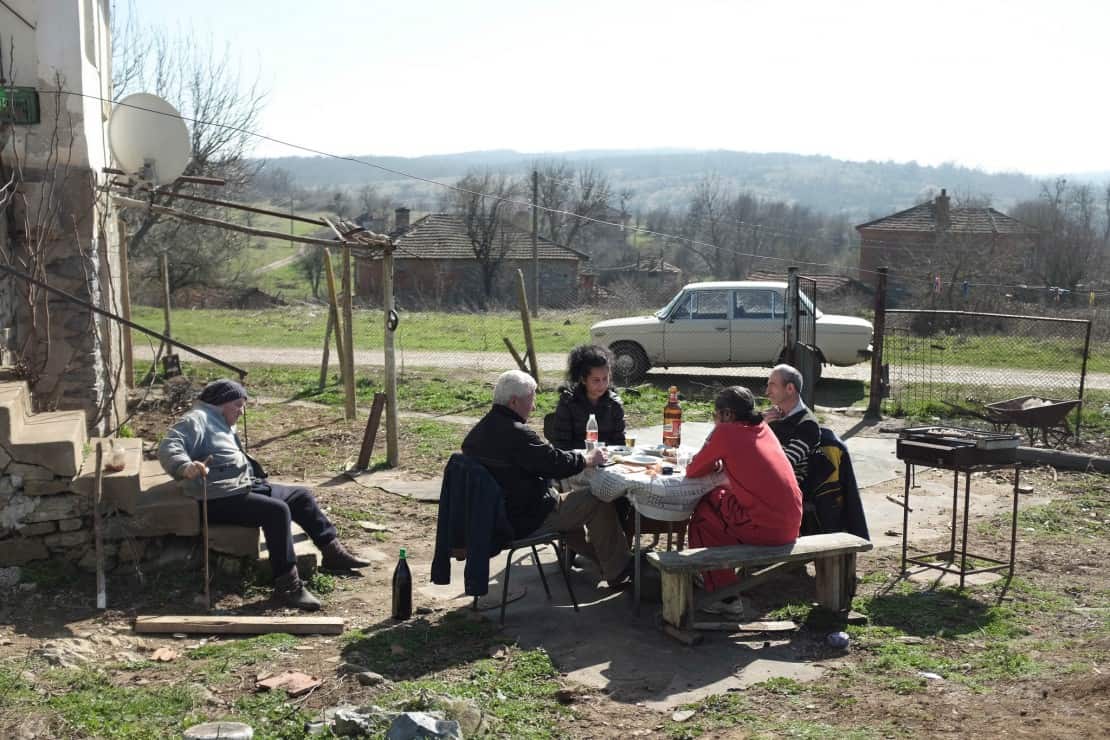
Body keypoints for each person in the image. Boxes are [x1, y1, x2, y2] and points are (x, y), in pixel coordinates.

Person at [159, 379, 370, 611]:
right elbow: (170, 445)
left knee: (300, 496)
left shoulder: (221, 419)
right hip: (216, 498)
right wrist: (184, 466)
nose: (242, 411)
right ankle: (288, 586)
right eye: (238, 405)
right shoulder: (196, 419)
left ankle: (333, 554)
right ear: (220, 403)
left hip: (241, 486)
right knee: (277, 512)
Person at [462, 370, 634, 588]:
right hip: (525, 519)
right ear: (514, 402)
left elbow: (540, 460)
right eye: (531, 400)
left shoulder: (478, 432)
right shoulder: (517, 434)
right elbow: (554, 464)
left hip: (495, 517)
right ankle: (619, 572)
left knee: (571, 500)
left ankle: (603, 561)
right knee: (598, 501)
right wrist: (587, 459)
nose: (533, 407)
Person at [684, 386, 803, 610]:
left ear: (727, 414)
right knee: (721, 504)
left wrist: (714, 438)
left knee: (704, 512)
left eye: (715, 415)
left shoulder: (726, 432)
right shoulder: (763, 428)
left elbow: (693, 470)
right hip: (791, 523)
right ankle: (719, 577)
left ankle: (724, 596)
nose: (714, 420)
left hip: (767, 528)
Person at [547, 344, 626, 451]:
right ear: (583, 380)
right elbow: (562, 445)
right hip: (576, 463)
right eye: (596, 380)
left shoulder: (614, 403)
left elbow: (620, 443)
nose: (602, 385)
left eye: (605, 378)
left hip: (607, 462)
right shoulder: (568, 403)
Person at [762, 364, 821, 487]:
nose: (767, 392)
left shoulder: (807, 424)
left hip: (785, 491)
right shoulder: (774, 415)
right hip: (766, 483)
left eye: (772, 385)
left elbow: (782, 464)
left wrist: (763, 430)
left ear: (789, 388)